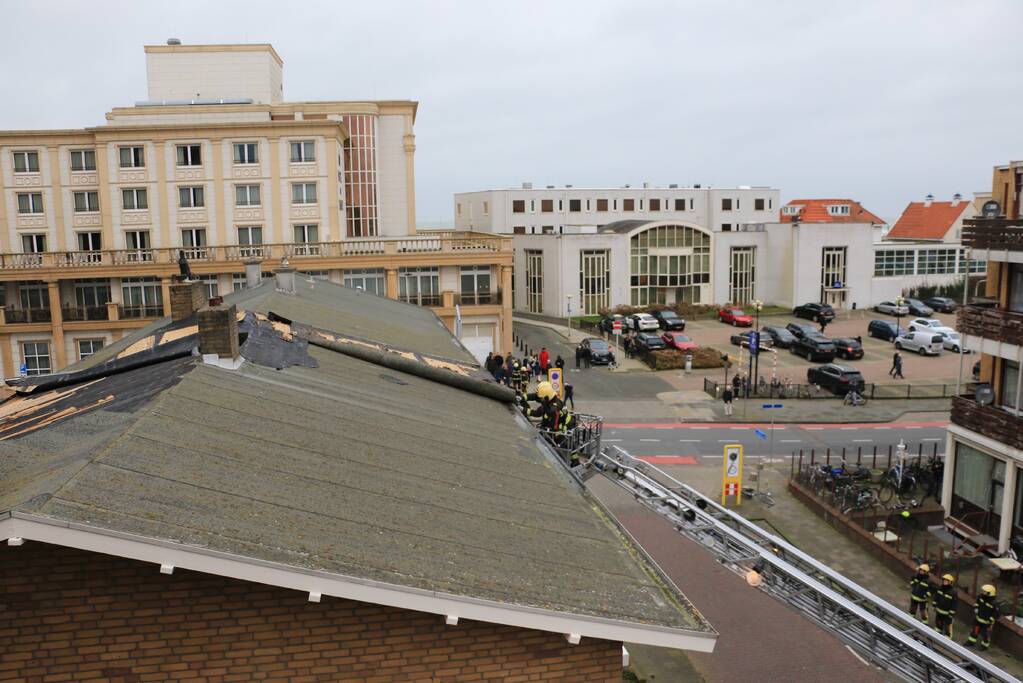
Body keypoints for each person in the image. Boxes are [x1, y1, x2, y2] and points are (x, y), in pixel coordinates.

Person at [965, 584, 998, 649]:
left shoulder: (994, 603)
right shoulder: (981, 597)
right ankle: (971, 642)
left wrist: (990, 620)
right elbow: (977, 603)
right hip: (978, 619)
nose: (983, 592)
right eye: (983, 591)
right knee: (975, 631)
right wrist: (976, 608)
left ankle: (984, 646)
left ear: (989, 593)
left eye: (985, 591)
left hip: (987, 623)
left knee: (985, 635)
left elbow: (996, 613)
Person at [933, 574, 957, 638]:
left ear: (950, 582)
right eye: (944, 580)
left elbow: (954, 604)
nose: (945, 582)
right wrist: (934, 604)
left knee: (948, 625)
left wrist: (951, 613)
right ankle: (938, 632)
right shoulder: (940, 588)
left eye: (947, 581)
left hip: (947, 613)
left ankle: (948, 636)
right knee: (938, 622)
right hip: (939, 610)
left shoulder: (953, 592)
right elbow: (936, 597)